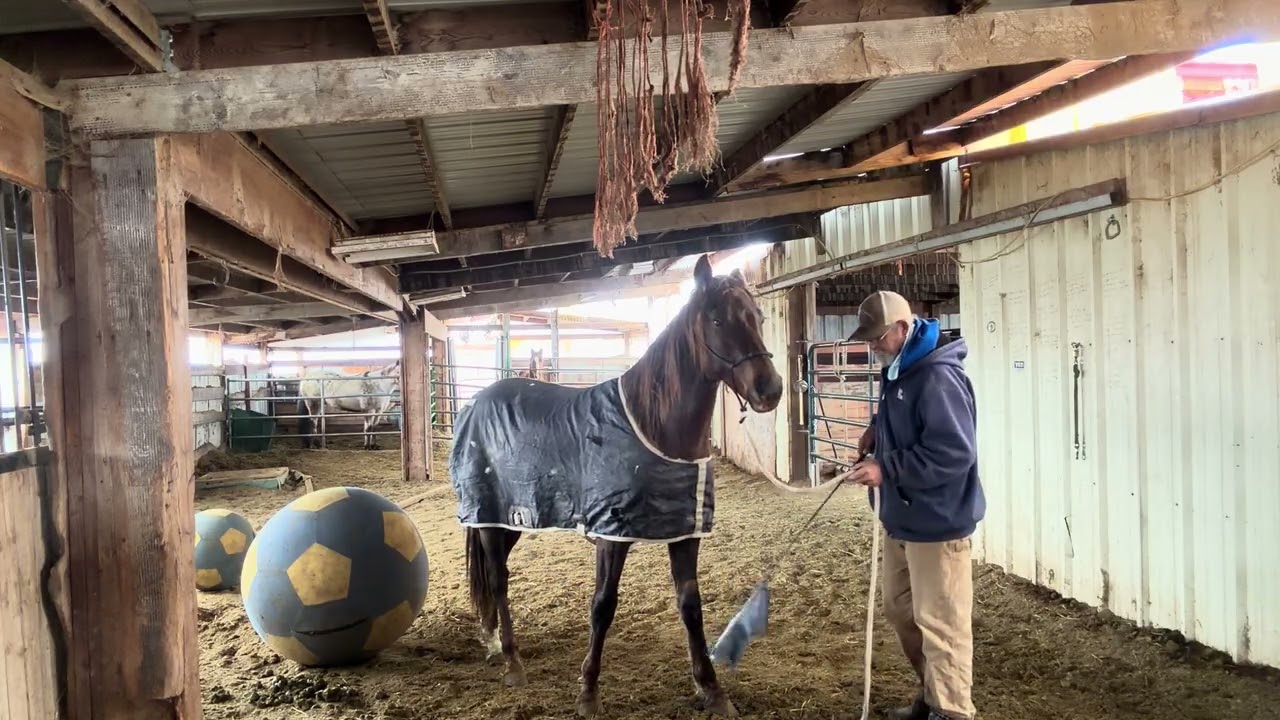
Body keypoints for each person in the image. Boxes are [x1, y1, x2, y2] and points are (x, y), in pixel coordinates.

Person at [843, 290, 984, 720]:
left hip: (936, 522)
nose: (872, 346)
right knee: (901, 608)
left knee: (941, 625)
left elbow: (954, 452)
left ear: (902, 329)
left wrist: (887, 469)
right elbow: (903, 417)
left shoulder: (938, 378)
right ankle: (932, 694)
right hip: (903, 517)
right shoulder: (900, 368)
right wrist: (875, 432)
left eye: (877, 337)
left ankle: (952, 710)